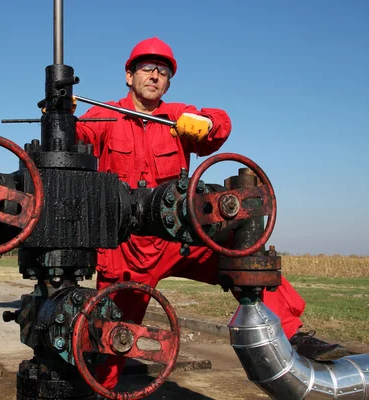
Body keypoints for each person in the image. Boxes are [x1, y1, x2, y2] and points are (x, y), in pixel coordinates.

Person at [75, 37, 346, 390]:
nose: (155, 76)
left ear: (168, 82)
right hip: (125, 251)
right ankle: (98, 388)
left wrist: (205, 123)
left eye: (163, 71)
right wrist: (61, 117)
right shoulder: (106, 115)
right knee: (111, 337)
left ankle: (293, 335)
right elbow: (74, 138)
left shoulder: (177, 118)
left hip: (177, 239)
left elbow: (220, 125)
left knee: (243, 256)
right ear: (129, 76)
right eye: (147, 68)